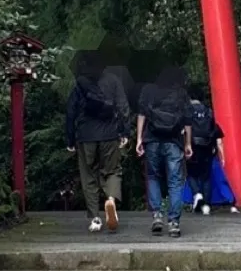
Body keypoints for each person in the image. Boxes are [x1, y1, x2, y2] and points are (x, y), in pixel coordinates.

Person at [65, 52, 130, 233]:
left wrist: (70, 138)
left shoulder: (80, 83)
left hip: (86, 136)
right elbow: (123, 106)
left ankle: (95, 218)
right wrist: (125, 131)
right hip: (109, 134)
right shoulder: (113, 81)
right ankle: (110, 199)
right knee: (113, 170)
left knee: (88, 176)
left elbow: (71, 112)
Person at [136, 66, 192, 237]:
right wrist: (188, 143)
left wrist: (139, 138)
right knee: (175, 181)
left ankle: (157, 215)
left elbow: (142, 114)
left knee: (153, 176)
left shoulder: (149, 90)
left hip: (152, 139)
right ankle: (174, 222)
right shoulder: (180, 93)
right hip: (174, 141)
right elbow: (188, 120)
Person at [185, 85, 235, 215]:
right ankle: (206, 205)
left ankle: (197, 194)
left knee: (191, 174)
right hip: (207, 147)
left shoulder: (187, 110)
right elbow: (216, 134)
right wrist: (221, 154)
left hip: (192, 145)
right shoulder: (208, 111)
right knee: (206, 177)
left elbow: (184, 128)